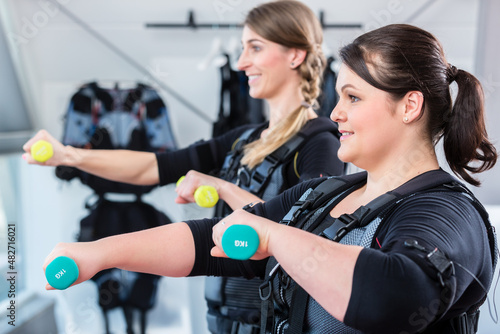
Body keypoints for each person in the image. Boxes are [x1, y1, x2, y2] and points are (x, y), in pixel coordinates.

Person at [37, 22, 498, 334]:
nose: (336, 113)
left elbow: (397, 293)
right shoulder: (327, 194)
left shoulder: (446, 211)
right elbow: (207, 243)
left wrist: (276, 238)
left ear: (409, 106)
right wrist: (96, 254)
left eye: (354, 98)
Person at [23, 1, 344, 333]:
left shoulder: (320, 144)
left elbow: (304, 234)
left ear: (295, 55)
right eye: (242, 48)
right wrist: (68, 156)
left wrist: (222, 188)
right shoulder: (243, 139)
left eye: (255, 48)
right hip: (224, 320)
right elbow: (154, 167)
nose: (241, 62)